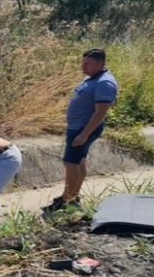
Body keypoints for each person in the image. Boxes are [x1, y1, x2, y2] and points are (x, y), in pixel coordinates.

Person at [43, 48, 119, 213]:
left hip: (83, 128)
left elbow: (101, 112)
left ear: (101, 63)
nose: (83, 67)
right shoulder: (92, 78)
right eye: (83, 63)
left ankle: (66, 200)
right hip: (77, 127)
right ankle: (73, 196)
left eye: (88, 64)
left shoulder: (104, 83)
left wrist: (84, 134)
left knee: (70, 162)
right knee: (78, 161)